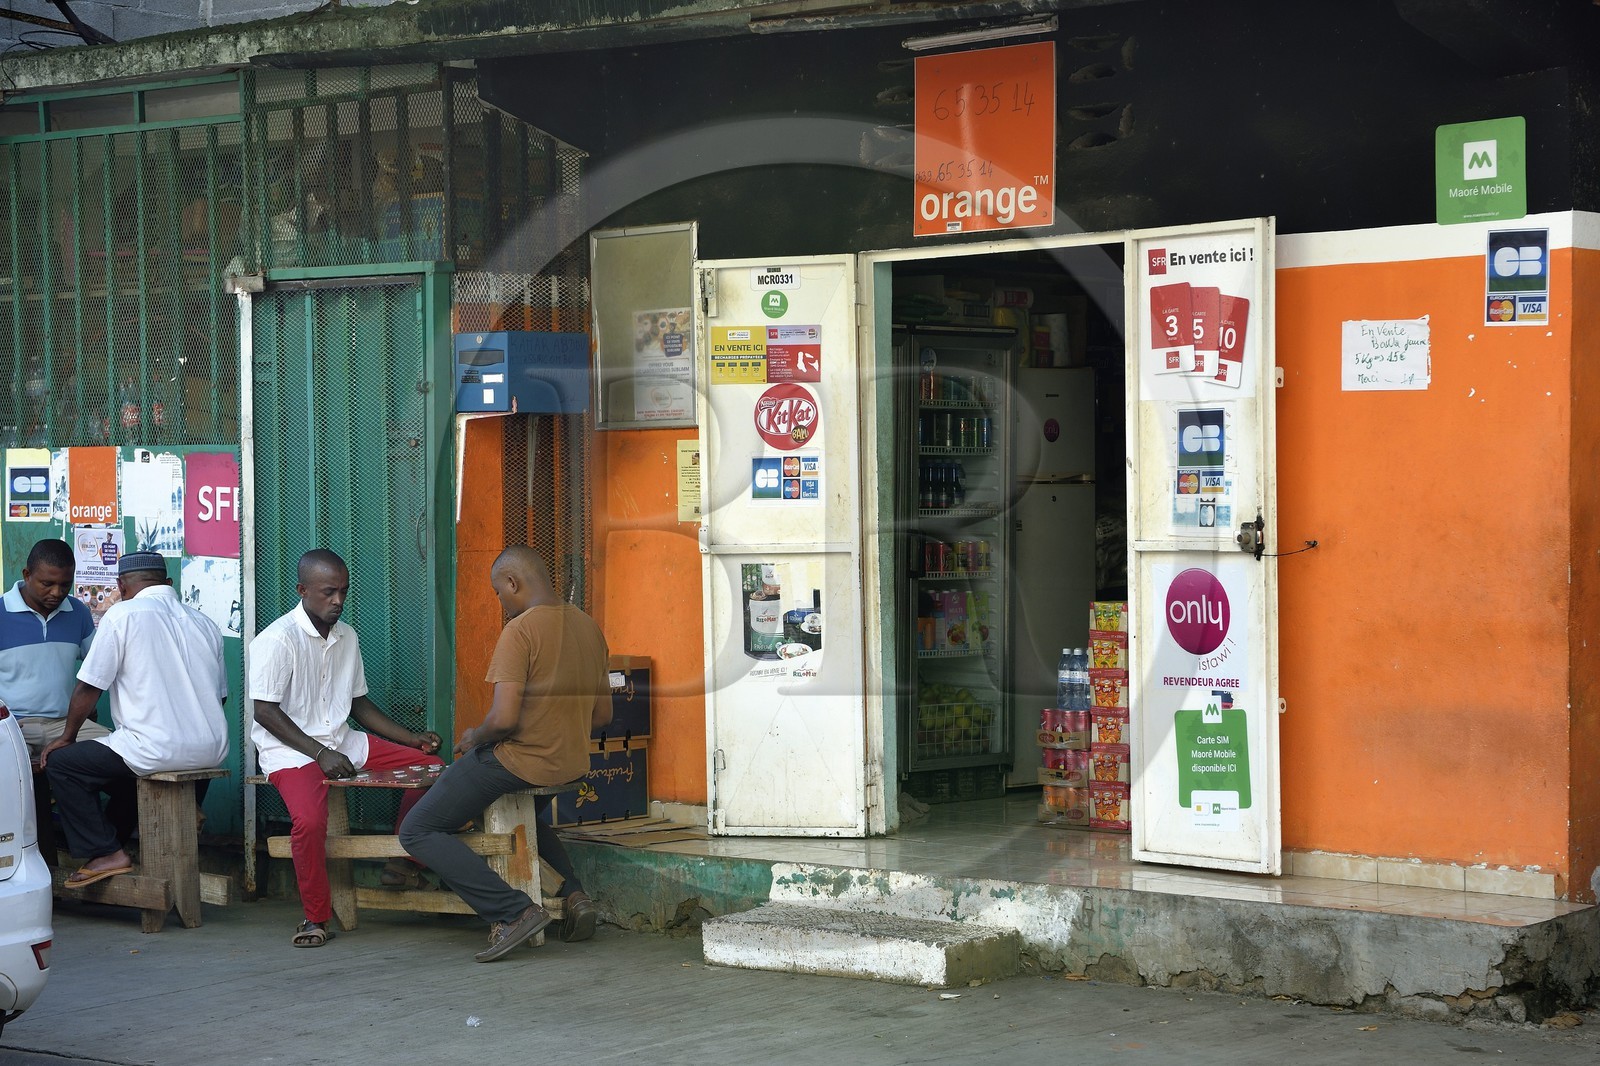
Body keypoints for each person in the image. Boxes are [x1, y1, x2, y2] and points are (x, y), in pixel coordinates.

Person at [400, 545, 609, 963]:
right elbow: (603, 714)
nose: (500, 603)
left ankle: (513, 912)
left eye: (498, 593)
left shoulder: (521, 630)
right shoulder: (589, 627)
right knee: (527, 818)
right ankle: (574, 895)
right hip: (570, 762)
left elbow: (505, 719)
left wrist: (474, 737)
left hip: (520, 760)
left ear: (512, 583)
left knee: (419, 829)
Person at [250, 548, 443, 949]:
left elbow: (357, 703)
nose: (338, 601)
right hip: (292, 752)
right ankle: (314, 917)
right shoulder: (276, 640)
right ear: (302, 590)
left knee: (432, 768)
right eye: (328, 592)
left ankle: (403, 863)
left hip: (343, 742)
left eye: (343, 592)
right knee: (309, 823)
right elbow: (265, 713)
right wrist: (319, 754)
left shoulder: (347, 636)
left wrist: (411, 739)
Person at [40, 552, 229, 887]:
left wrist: (67, 737)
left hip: (152, 749)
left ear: (121, 586)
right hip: (211, 749)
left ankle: (107, 852)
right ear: (168, 583)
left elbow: (89, 687)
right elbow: (221, 696)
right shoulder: (205, 623)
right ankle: (126, 840)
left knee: (64, 765)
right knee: (127, 778)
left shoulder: (123, 615)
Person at [0, 538, 120, 863]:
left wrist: (83, 714)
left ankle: (104, 847)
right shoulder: (0, 612)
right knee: (14, 781)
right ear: (26, 574)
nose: (56, 592)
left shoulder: (78, 613)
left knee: (126, 756)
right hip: (12, 729)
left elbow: (100, 666)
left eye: (65, 584)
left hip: (62, 726)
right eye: (47, 583)